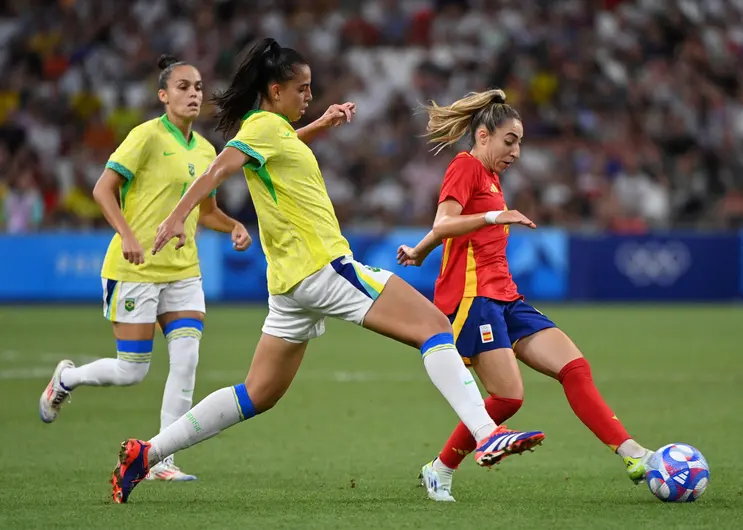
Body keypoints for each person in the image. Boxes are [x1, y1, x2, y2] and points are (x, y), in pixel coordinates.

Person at [109, 38, 546, 504]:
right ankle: (485, 432)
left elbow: (277, 148)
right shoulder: (259, 128)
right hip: (322, 266)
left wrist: (319, 123)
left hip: (290, 285)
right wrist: (177, 216)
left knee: (258, 393)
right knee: (434, 326)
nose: (308, 96)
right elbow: (219, 169)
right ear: (275, 90)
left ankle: (146, 453)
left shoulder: (271, 131)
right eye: (302, 89)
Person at [396, 88, 653, 502]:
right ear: (483, 136)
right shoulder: (465, 166)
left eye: (520, 144)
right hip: (473, 299)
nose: (516, 151)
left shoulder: (491, 177)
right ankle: (440, 469)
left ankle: (633, 454)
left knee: (574, 367)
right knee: (509, 397)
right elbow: (445, 220)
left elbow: (448, 228)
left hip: (506, 296)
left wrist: (420, 250)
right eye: (509, 141)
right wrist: (496, 216)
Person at [38, 55, 252, 482]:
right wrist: (128, 236)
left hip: (183, 270)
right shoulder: (146, 137)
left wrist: (233, 225)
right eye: (183, 87)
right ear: (163, 95)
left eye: (198, 87)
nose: (194, 94)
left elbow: (205, 211)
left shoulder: (207, 150)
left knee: (187, 361)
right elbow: (103, 190)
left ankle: (160, 459)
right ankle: (67, 378)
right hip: (134, 269)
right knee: (131, 370)